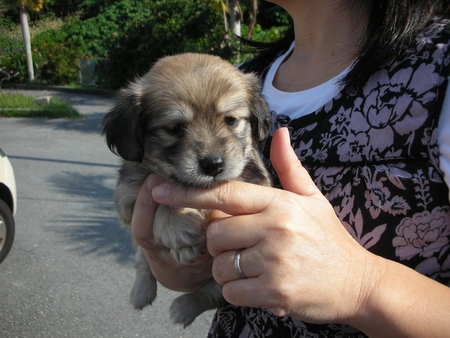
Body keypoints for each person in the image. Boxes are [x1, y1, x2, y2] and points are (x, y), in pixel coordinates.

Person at [130, 1, 450, 337]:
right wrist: (170, 259)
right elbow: (191, 270)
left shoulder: (437, 70)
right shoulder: (246, 74)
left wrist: (360, 285)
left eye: (231, 121)